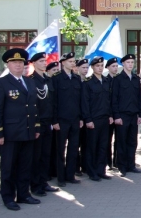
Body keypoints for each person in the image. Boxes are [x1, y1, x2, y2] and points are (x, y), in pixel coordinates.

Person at [0, 48, 41, 211]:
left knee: (25, 165)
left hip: (27, 131)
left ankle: (24, 194)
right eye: (14, 62)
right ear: (8, 64)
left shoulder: (30, 81)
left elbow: (34, 107)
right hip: (10, 133)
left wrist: (36, 126)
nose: (18, 65)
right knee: (8, 167)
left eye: (21, 62)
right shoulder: (1, 83)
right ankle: (8, 197)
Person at [28, 53, 59, 197]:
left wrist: (54, 121)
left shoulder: (48, 79)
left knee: (46, 154)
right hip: (37, 122)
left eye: (44, 61)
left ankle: (44, 181)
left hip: (48, 122)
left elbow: (52, 102)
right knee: (36, 155)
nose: (44, 63)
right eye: (41, 61)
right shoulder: (31, 80)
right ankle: (35, 185)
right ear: (34, 63)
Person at [51, 52, 83, 187]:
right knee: (60, 149)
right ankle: (60, 177)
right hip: (62, 120)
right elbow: (53, 102)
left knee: (73, 148)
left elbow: (80, 100)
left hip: (75, 119)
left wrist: (81, 118)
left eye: (74, 61)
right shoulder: (56, 78)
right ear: (63, 63)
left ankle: (70, 175)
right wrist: (55, 121)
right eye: (70, 61)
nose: (73, 63)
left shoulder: (76, 78)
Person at [81, 57, 114, 181]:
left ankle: (101, 170)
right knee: (92, 147)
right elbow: (85, 102)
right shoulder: (88, 82)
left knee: (103, 146)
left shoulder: (106, 81)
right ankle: (92, 171)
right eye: (97, 66)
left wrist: (111, 115)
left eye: (101, 65)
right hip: (93, 119)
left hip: (105, 118)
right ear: (93, 67)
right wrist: (88, 119)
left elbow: (108, 101)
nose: (100, 67)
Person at [112, 54, 141, 177]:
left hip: (133, 115)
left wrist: (140, 114)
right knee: (121, 141)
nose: (130, 64)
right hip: (122, 115)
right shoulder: (118, 79)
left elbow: (139, 98)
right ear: (123, 64)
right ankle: (122, 166)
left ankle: (131, 165)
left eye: (132, 62)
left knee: (132, 141)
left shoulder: (136, 79)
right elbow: (114, 99)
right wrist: (117, 116)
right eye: (128, 62)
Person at [75, 58, 89, 177]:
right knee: (76, 143)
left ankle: (85, 165)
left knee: (85, 143)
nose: (85, 70)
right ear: (77, 68)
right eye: (83, 67)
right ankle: (76, 167)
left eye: (87, 67)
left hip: (86, 117)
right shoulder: (75, 80)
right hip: (77, 117)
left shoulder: (88, 81)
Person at [105, 57, 119, 169]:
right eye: (113, 66)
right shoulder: (105, 81)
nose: (115, 68)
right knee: (108, 139)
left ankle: (117, 161)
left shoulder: (119, 79)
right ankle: (108, 162)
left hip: (118, 114)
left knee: (118, 139)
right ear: (108, 67)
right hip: (108, 115)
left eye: (116, 66)